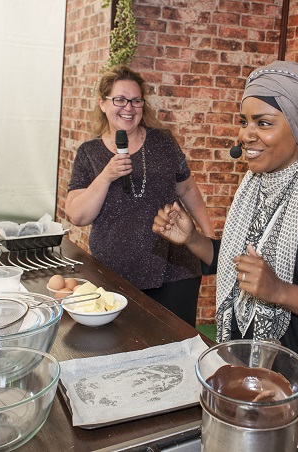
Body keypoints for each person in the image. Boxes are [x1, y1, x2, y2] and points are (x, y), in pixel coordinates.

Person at [152, 61, 298, 432]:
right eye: (244, 122)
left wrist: (280, 291)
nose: (246, 135)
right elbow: (238, 268)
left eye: (263, 123)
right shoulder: (252, 189)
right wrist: (193, 239)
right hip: (245, 374)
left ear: (297, 128)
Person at [65, 65, 214, 327]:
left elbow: (188, 189)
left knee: (175, 343)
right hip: (115, 270)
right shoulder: (89, 153)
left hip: (173, 266)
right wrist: (106, 175)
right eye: (119, 100)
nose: (128, 108)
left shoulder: (163, 141)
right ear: (102, 103)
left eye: (136, 101)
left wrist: (210, 237)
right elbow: (77, 215)